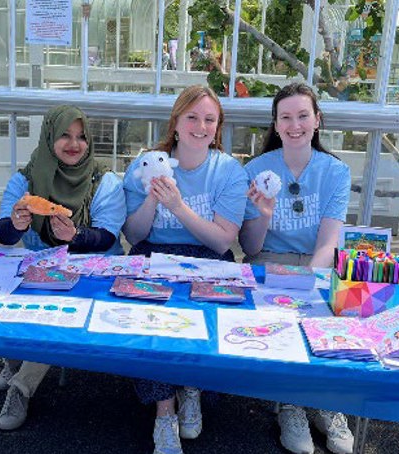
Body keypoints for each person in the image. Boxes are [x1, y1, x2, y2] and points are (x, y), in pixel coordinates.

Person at [122, 85, 249, 454]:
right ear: (175, 122)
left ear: (218, 126)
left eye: (209, 119)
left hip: (208, 258)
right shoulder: (146, 163)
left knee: (208, 314)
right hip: (152, 253)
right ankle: (165, 411)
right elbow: (133, 234)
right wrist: (151, 198)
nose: (200, 126)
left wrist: (177, 206)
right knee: (147, 317)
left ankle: (192, 386)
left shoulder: (228, 170)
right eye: (191, 117)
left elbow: (223, 242)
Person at [0, 105, 126, 431]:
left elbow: (108, 234)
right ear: (49, 136)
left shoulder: (103, 179)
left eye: (81, 137)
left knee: (55, 314)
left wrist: (76, 235)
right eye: (65, 135)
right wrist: (16, 224)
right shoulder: (25, 179)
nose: (74, 144)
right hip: (41, 267)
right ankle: (12, 360)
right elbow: (3, 235)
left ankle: (21, 386)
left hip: (95, 270)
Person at [239, 82, 355, 454]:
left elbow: (329, 243)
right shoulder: (256, 170)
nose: (295, 125)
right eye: (285, 117)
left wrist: (305, 282)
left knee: (326, 323)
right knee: (280, 324)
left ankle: (326, 401)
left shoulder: (336, 172)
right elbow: (249, 247)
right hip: (268, 261)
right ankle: (289, 404)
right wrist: (264, 215)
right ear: (275, 124)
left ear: (317, 120)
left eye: (303, 115)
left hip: (316, 265)